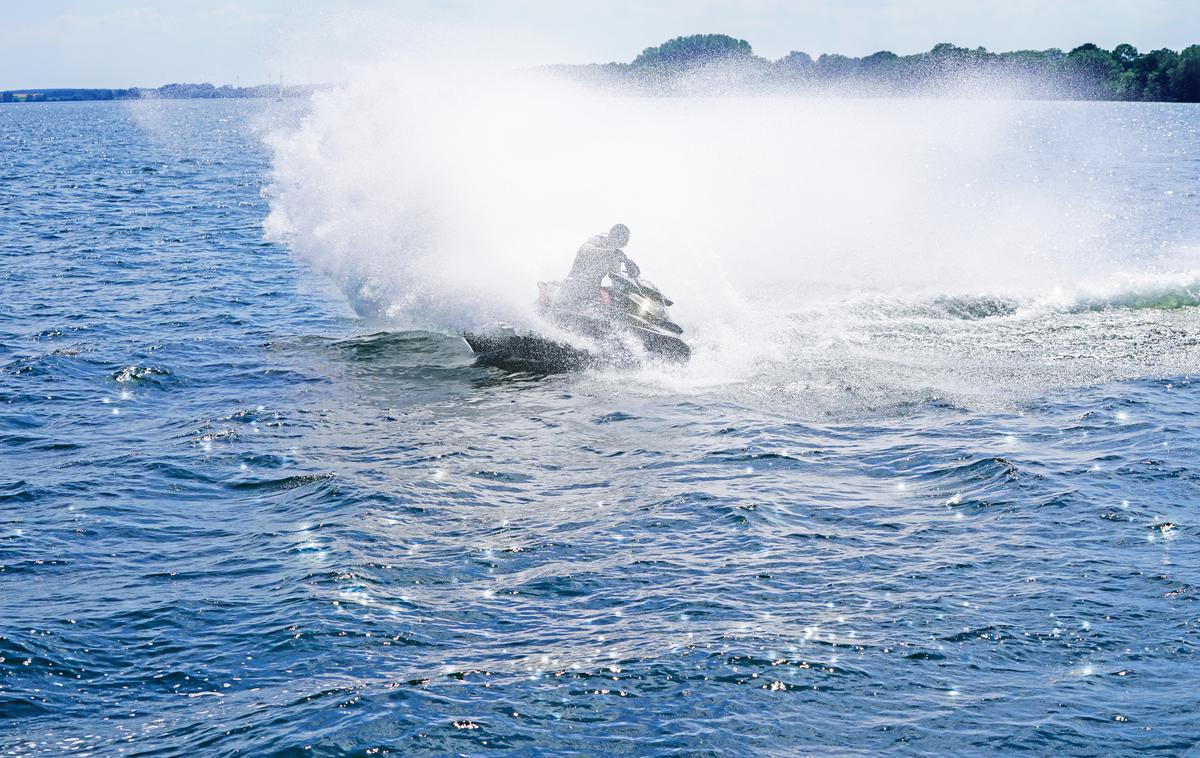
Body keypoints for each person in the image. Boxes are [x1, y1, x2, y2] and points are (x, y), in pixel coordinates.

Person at [555, 223, 640, 310]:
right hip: (572, 288)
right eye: (624, 239)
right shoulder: (596, 241)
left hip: (590, 295)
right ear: (614, 235)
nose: (625, 244)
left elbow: (616, 279)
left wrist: (630, 287)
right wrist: (611, 253)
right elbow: (586, 251)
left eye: (626, 241)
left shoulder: (614, 256)